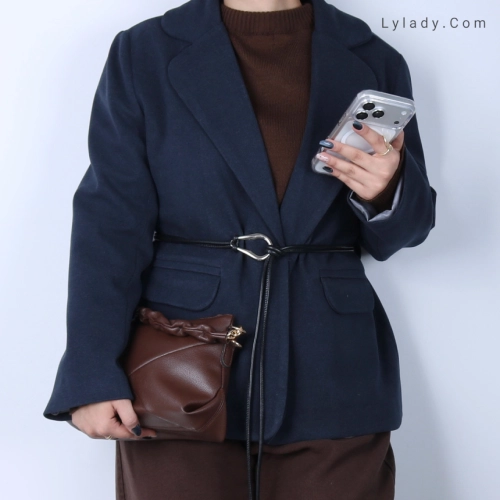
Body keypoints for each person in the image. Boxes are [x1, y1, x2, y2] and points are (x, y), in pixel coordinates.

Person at [43, 0, 437, 499]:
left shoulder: (373, 57)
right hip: (177, 371)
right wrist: (90, 371)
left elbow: (407, 230)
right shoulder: (144, 52)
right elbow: (110, 224)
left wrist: (386, 191)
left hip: (334, 371)